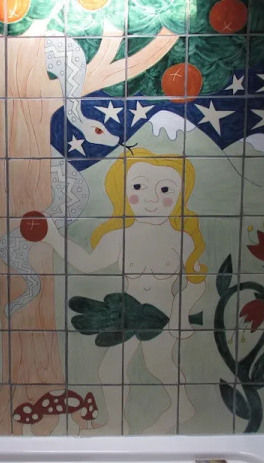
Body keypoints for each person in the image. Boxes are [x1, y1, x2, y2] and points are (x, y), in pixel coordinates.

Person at [44, 151, 206, 433]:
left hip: (162, 316)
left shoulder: (182, 239)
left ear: (181, 195)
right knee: (109, 370)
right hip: (127, 313)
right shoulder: (118, 236)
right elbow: (87, 263)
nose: (151, 199)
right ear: (122, 190)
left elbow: (197, 280)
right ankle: (118, 424)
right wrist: (54, 239)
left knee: (159, 365)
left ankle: (182, 407)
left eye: (165, 190)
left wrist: (180, 315)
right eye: (138, 187)